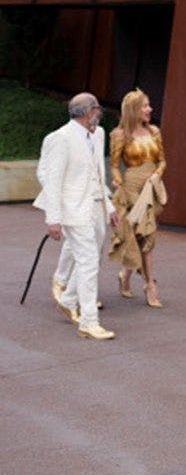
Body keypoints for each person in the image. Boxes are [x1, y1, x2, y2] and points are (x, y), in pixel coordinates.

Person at [32, 93, 118, 340]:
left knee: (94, 257)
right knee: (88, 261)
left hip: (96, 206)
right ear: (88, 112)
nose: (100, 113)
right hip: (72, 210)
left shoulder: (98, 134)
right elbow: (52, 180)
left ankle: (69, 299)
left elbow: (98, 173)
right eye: (97, 109)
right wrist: (53, 219)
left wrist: (109, 207)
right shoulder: (60, 139)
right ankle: (89, 322)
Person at [108, 88, 167, 307]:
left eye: (149, 105)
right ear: (133, 109)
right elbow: (114, 165)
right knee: (136, 235)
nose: (149, 109)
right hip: (131, 188)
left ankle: (129, 276)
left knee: (147, 236)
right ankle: (149, 284)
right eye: (145, 105)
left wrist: (156, 176)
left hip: (151, 188)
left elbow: (162, 160)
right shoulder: (119, 134)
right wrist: (118, 182)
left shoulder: (154, 131)